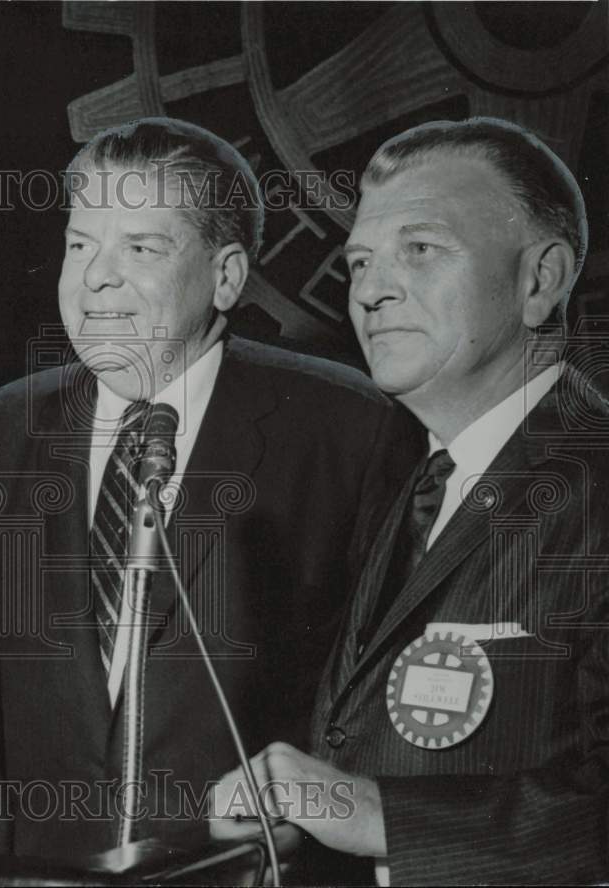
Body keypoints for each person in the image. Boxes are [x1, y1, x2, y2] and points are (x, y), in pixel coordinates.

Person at [0, 117, 420, 859]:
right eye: (80, 244)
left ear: (227, 276)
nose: (96, 277)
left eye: (140, 248)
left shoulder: (349, 432)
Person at [214, 117, 608, 884]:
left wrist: (377, 816)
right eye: (360, 262)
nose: (370, 291)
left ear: (540, 281)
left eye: (420, 251)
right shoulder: (413, 477)